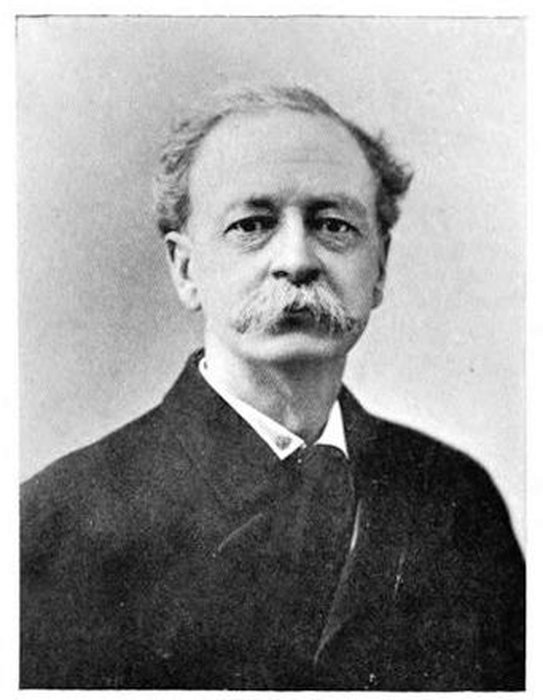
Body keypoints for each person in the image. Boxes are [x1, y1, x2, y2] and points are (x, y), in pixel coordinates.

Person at [20, 85, 525, 690]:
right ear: (186, 269)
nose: (296, 259)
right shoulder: (55, 527)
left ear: (379, 268)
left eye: (333, 225)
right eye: (252, 225)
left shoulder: (456, 499)